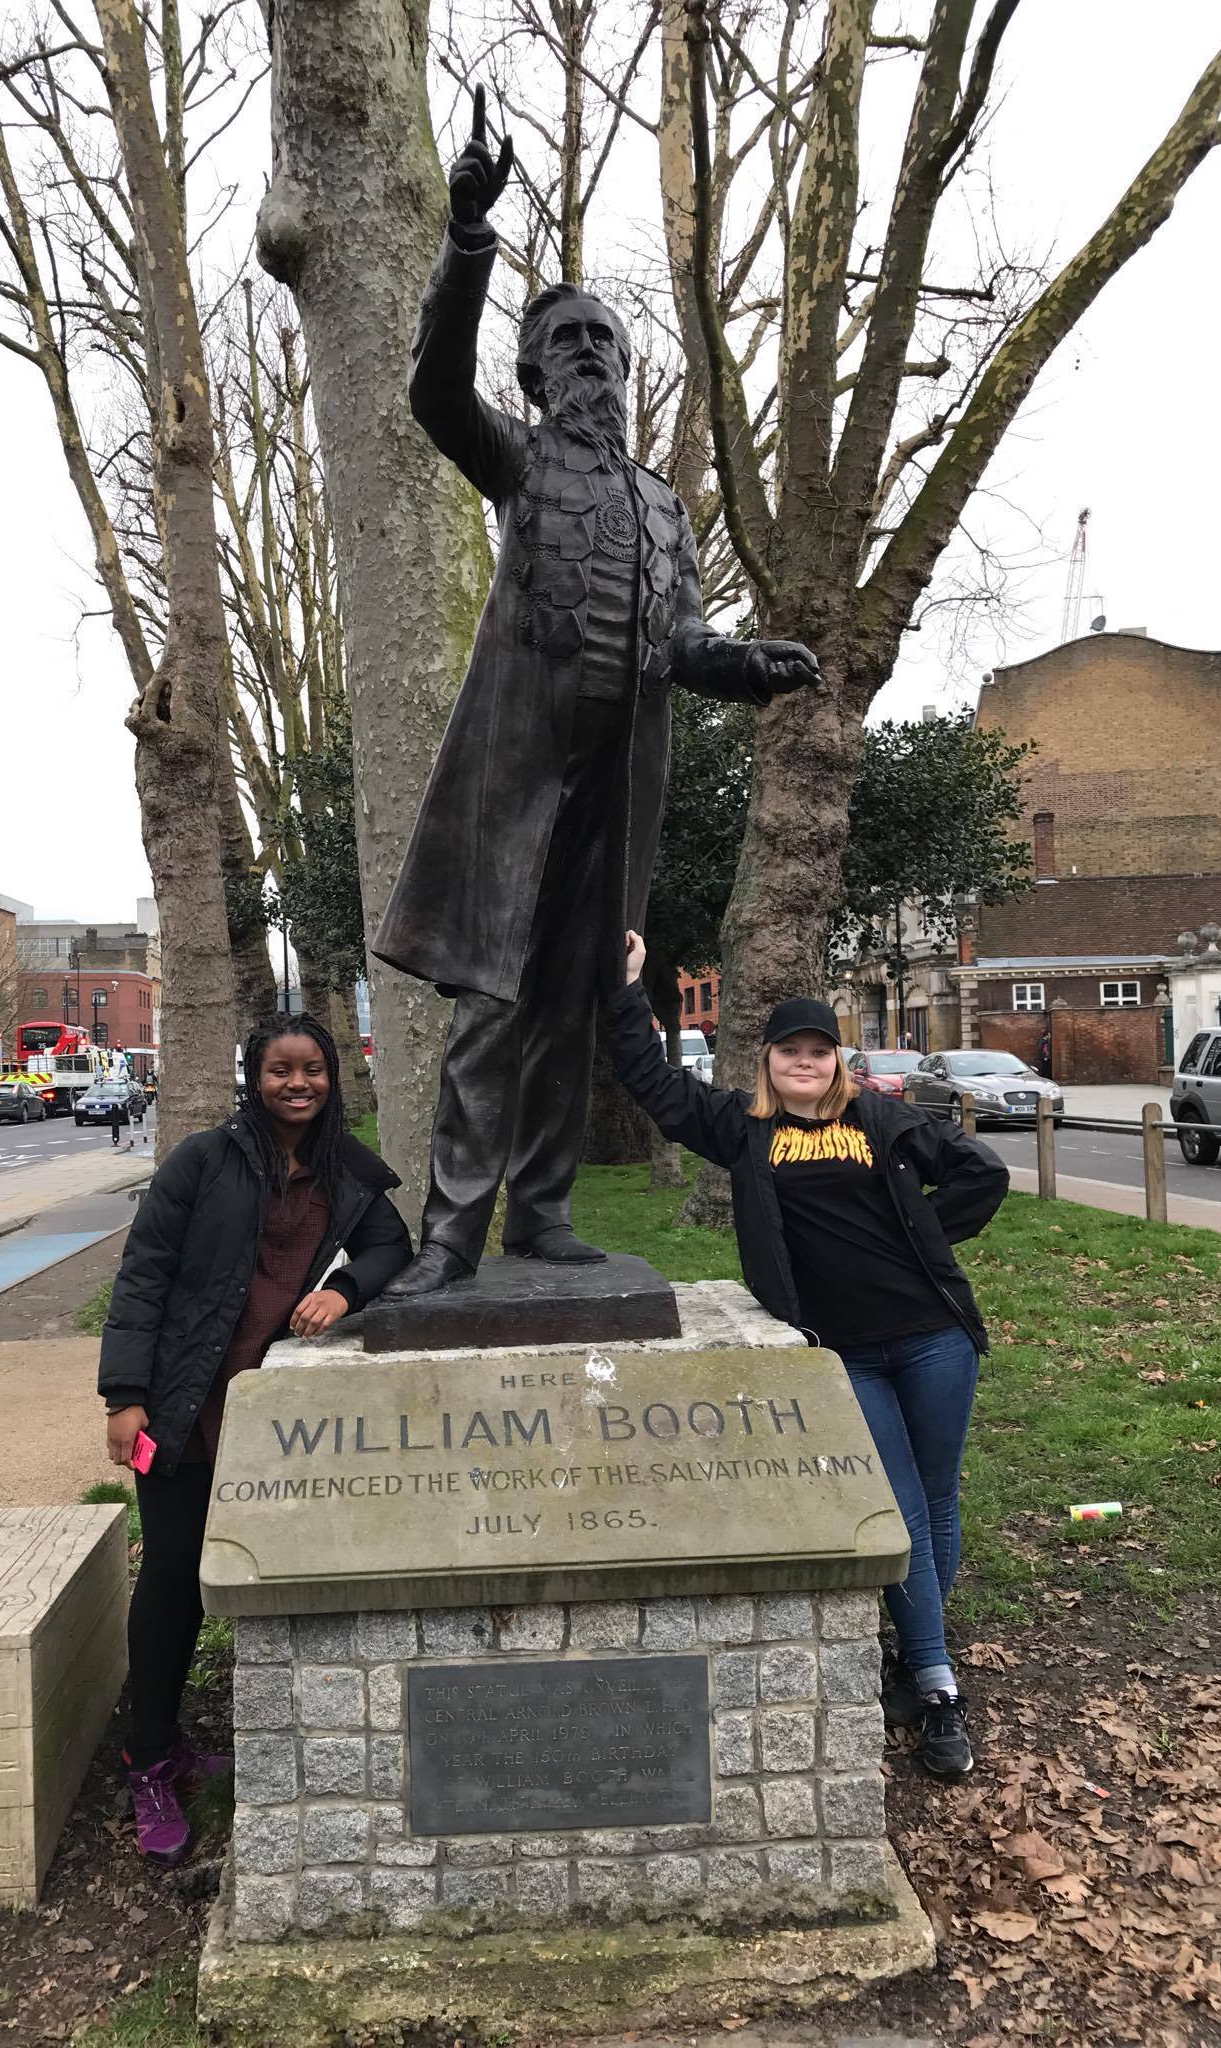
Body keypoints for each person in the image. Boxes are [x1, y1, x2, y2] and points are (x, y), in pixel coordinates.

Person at [372, 85, 819, 1300]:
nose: (589, 360)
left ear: (627, 370)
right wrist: (469, 240)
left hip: (614, 799)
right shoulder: (517, 462)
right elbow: (431, 393)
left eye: (603, 346)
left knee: (574, 1011)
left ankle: (546, 1213)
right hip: (517, 787)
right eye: (565, 344)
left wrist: (749, 663)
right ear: (532, 367)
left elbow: (677, 642)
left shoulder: (665, 508)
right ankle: (452, 1234)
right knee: (488, 1013)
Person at [609, 932, 1008, 1781]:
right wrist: (625, 989)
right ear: (769, 1061)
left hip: (934, 1338)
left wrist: (922, 1239)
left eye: (818, 1051)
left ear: (837, 1061)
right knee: (899, 1503)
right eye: (790, 1050)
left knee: (936, 1498)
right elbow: (652, 1082)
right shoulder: (744, 1128)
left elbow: (981, 1172)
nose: (804, 1062)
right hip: (846, 1354)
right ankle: (939, 1684)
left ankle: (918, 1662)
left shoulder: (883, 1119)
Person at [97, 1013, 412, 1866]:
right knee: (170, 1580)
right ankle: (150, 1759)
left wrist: (345, 1291)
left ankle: (181, 1744)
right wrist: (124, 1396)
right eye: (280, 1070)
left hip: (264, 1416)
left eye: (312, 1069)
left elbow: (394, 1246)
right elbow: (145, 1272)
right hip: (182, 1402)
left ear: (332, 1075)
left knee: (234, 1571)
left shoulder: (347, 1165)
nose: (298, 1084)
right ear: (255, 1076)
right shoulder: (204, 1162)